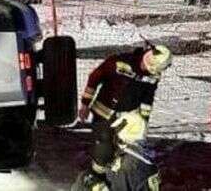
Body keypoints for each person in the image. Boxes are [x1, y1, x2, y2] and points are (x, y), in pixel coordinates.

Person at [73, 43, 172, 191]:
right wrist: (85, 104)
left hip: (126, 120)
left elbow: (147, 99)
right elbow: (95, 77)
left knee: (122, 153)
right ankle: (93, 180)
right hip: (103, 115)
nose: (149, 71)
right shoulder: (118, 63)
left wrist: (143, 121)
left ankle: (115, 179)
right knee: (103, 149)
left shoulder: (153, 75)